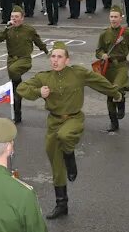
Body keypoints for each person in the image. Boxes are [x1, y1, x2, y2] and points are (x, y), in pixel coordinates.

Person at [17, 42, 122, 219]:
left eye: (59, 57)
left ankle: (69, 154)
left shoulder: (77, 73)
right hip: (53, 121)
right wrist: (37, 91)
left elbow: (99, 82)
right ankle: (61, 204)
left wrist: (115, 94)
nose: (55, 60)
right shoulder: (44, 77)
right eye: (53, 56)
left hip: (73, 118)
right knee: (56, 165)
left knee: (64, 136)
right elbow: (21, 88)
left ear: (67, 59)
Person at [0, 6, 48, 124]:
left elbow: (38, 41)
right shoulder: (8, 30)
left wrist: (47, 52)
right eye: (12, 17)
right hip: (11, 59)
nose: (14, 19)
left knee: (13, 71)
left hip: (24, 60)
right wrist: (6, 28)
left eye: (17, 17)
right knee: (15, 90)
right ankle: (17, 115)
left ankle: (20, 87)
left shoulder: (29, 30)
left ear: (22, 18)